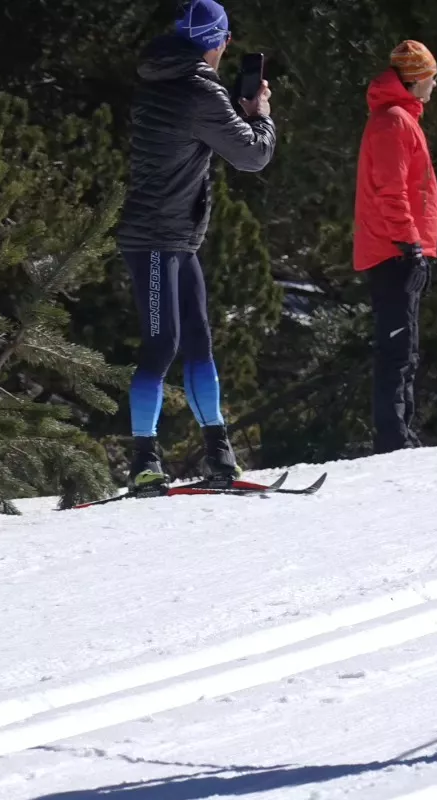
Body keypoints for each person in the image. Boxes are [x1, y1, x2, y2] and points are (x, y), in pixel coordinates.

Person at [116, 0, 276, 491]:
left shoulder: (163, 78)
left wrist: (234, 113)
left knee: (198, 340)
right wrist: (261, 117)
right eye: (226, 39)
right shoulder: (199, 90)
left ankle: (219, 452)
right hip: (156, 238)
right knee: (163, 344)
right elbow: (252, 156)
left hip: (175, 237)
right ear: (218, 41)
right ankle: (143, 462)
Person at [354, 41, 437, 455]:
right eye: (432, 76)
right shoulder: (393, 121)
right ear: (416, 78)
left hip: (400, 248)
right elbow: (391, 191)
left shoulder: (401, 118)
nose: (435, 84)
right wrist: (410, 245)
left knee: (405, 346)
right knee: (397, 348)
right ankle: (393, 440)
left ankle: (401, 434)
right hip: (393, 251)